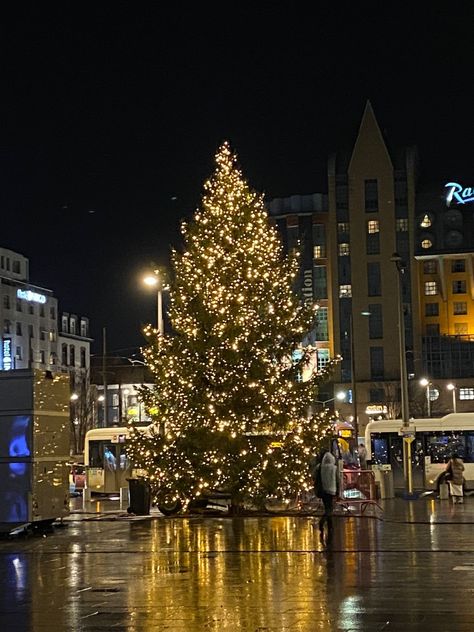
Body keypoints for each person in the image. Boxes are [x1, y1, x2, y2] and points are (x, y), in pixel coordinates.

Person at [314, 450, 340, 544]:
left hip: (323, 490)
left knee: (327, 507)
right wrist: (338, 492)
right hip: (331, 491)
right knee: (329, 509)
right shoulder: (334, 468)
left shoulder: (319, 467)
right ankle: (323, 522)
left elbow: (315, 477)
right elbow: (337, 480)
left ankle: (330, 525)